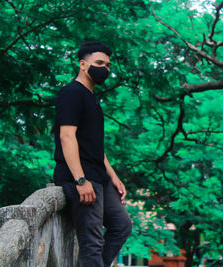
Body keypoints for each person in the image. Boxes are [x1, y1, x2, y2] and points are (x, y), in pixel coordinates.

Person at [53, 41, 132, 267]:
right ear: (83, 64)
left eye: (108, 65)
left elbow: (95, 145)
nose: (104, 69)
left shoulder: (91, 98)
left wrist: (114, 177)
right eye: (99, 63)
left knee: (122, 225)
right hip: (81, 177)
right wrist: (80, 179)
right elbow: (67, 137)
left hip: (99, 177)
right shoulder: (71, 93)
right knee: (92, 243)